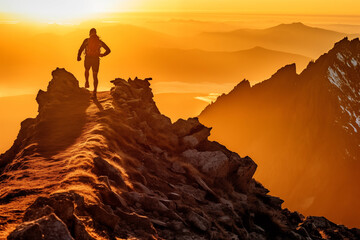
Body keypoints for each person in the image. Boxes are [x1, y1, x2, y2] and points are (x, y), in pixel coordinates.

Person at [77, 28, 111, 98]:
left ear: (89, 33)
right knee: (95, 75)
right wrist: (102, 55)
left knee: (86, 70)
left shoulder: (87, 40)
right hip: (96, 59)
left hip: (88, 58)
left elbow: (81, 49)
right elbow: (108, 50)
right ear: (96, 33)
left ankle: (87, 81)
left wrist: (78, 56)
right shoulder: (99, 42)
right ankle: (95, 91)